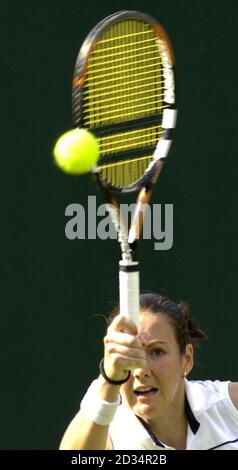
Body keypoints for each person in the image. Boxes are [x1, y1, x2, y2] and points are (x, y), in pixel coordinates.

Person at [59, 293, 238, 450]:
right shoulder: (109, 437)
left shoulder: (230, 406)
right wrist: (108, 379)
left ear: (187, 359)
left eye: (157, 352)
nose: (140, 371)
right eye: (127, 356)